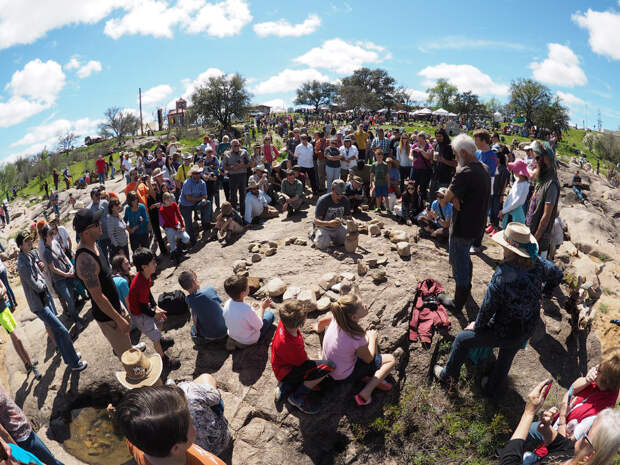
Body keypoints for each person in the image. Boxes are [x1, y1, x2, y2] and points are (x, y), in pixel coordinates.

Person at [434, 223, 562, 398]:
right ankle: (491, 388)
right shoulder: (539, 262)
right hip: (527, 327)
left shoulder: (503, 274)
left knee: (462, 339)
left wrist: (477, 326)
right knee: (507, 355)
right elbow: (557, 273)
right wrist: (545, 292)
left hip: (504, 329)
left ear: (508, 248)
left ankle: (448, 376)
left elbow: (488, 308)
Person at [524, 348, 620, 459]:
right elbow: (572, 389)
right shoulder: (599, 385)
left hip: (555, 442)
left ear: (604, 380)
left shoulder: (597, 415)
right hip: (554, 423)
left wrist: (563, 415)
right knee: (530, 430)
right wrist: (586, 380)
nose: (595, 368)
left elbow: (564, 443)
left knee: (529, 453)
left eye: (599, 370)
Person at [497, 380, 620, 465]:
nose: (582, 434)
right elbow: (560, 445)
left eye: (586, 435)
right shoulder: (575, 453)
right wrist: (546, 427)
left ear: (590, 456)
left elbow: (508, 461)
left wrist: (528, 413)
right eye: (588, 429)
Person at [16, 231, 87, 372]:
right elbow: (35, 285)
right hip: (39, 304)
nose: (30, 242)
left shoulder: (30, 254)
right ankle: (75, 362)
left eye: (30, 239)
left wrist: (41, 270)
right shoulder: (22, 264)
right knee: (62, 331)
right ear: (20, 245)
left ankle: (68, 358)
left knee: (57, 331)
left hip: (45, 297)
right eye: (26, 241)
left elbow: (39, 271)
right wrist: (43, 280)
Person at [438, 134, 490, 313]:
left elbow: (445, 199)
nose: (454, 157)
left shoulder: (464, 171)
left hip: (463, 226)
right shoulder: (483, 168)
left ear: (462, 152)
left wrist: (452, 198)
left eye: (454, 153)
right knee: (465, 257)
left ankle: (457, 303)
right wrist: (456, 198)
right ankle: (466, 288)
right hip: (477, 224)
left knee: (458, 260)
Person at [74, 208, 135, 359]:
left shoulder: (94, 244)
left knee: (126, 342)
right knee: (130, 360)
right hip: (109, 318)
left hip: (115, 306)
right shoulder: (85, 260)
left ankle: (125, 346)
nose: (100, 223)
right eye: (96, 223)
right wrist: (118, 319)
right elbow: (98, 297)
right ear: (86, 232)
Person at [115, 384, 227, 465]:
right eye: (191, 423)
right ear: (176, 448)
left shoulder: (137, 440)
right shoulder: (209, 462)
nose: (192, 419)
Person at [318, 294, 398, 406]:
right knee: (391, 360)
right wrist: (372, 338)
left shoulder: (338, 317)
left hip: (329, 367)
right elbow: (369, 359)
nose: (365, 305)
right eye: (361, 306)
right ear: (354, 317)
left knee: (356, 350)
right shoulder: (356, 336)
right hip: (343, 375)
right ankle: (366, 392)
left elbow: (321, 323)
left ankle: (364, 377)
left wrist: (319, 329)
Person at [272, 299, 335, 414]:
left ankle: (286, 386)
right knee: (329, 366)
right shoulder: (292, 344)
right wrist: (319, 360)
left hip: (280, 368)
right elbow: (304, 363)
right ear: (303, 321)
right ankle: (297, 397)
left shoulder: (283, 323)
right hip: (289, 371)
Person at [128, 248, 180, 369]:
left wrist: (155, 306)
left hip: (145, 309)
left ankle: (160, 341)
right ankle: (163, 360)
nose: (156, 264)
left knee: (161, 320)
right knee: (155, 335)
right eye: (153, 262)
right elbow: (142, 308)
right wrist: (154, 313)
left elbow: (149, 293)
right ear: (144, 266)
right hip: (139, 315)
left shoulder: (146, 275)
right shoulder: (139, 283)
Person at [0, 385, 64, 465]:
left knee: (49, 458)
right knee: (49, 461)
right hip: (19, 436)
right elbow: (3, 432)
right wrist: (17, 449)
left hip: (25, 429)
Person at [40, 225, 84, 330]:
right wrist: (66, 274)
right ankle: (76, 321)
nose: (53, 234)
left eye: (52, 232)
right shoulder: (46, 252)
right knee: (69, 299)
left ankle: (76, 317)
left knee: (72, 298)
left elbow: (64, 256)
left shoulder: (56, 243)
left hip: (68, 274)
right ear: (45, 236)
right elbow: (53, 269)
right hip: (59, 280)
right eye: (50, 233)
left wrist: (71, 266)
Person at [0, 280, 41, 379]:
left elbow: (4, 287)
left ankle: (26, 363)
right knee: (17, 339)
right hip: (1, 315)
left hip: (5, 308)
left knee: (15, 339)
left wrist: (1, 292)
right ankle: (32, 365)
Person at [526, 141, 561, 259]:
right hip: (531, 233)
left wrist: (535, 239)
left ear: (544, 158)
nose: (535, 161)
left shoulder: (551, 185)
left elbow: (546, 218)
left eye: (537, 157)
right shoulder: (542, 179)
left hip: (539, 242)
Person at [222, 274, 275, 350]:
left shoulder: (227, 303)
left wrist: (252, 309)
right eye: (247, 286)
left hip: (233, 335)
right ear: (242, 293)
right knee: (270, 315)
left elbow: (237, 313)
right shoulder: (247, 311)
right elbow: (259, 325)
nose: (249, 287)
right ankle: (244, 344)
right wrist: (262, 308)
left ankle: (233, 341)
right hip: (248, 340)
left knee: (253, 317)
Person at [178, 270, 228, 345]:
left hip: (209, 336)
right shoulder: (210, 289)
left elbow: (195, 317)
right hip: (225, 330)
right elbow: (217, 303)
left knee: (193, 329)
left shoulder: (188, 300)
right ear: (194, 281)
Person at [313, 179, 351, 250]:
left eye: (342, 194)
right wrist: (329, 223)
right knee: (322, 245)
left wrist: (353, 222)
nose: (340, 196)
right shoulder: (323, 200)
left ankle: (332, 239)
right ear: (332, 190)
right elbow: (316, 221)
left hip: (338, 227)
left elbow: (347, 216)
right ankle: (313, 235)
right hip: (324, 227)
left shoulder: (345, 200)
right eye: (338, 194)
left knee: (347, 239)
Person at [159, 192, 190, 263]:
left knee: (186, 238)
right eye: (168, 200)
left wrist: (182, 225)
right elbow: (168, 221)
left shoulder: (174, 204)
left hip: (176, 225)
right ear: (164, 200)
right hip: (169, 228)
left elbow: (179, 215)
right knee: (172, 245)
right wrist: (176, 228)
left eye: (170, 200)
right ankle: (177, 258)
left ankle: (181, 252)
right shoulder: (162, 210)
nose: (170, 202)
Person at [499, 159, 530, 228]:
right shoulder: (517, 182)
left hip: (515, 215)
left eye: (514, 169)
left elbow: (516, 202)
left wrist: (503, 211)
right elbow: (510, 198)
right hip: (510, 212)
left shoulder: (524, 185)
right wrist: (505, 210)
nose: (513, 171)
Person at [222, 139, 250, 214]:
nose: (237, 147)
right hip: (233, 176)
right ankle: (233, 213)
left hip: (242, 175)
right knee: (233, 195)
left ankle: (243, 213)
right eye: (235, 145)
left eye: (238, 145)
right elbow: (224, 167)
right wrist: (231, 168)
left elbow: (249, 164)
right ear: (231, 146)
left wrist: (241, 166)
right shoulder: (227, 154)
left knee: (243, 194)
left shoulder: (244, 152)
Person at [488, 151, 511, 234]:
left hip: (498, 194)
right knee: (491, 210)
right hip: (491, 193)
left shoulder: (504, 170)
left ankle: (496, 227)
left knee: (496, 210)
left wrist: (502, 195)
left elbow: (505, 184)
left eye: (496, 158)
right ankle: (492, 225)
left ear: (500, 159)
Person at [410, 132, 434, 200]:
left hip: (425, 170)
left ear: (424, 139)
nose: (419, 142)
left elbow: (429, 157)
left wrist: (421, 150)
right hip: (415, 169)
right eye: (418, 140)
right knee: (412, 186)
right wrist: (412, 159)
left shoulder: (429, 146)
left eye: (420, 140)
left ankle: (422, 203)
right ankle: (413, 201)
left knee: (423, 188)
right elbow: (410, 154)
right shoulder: (415, 145)